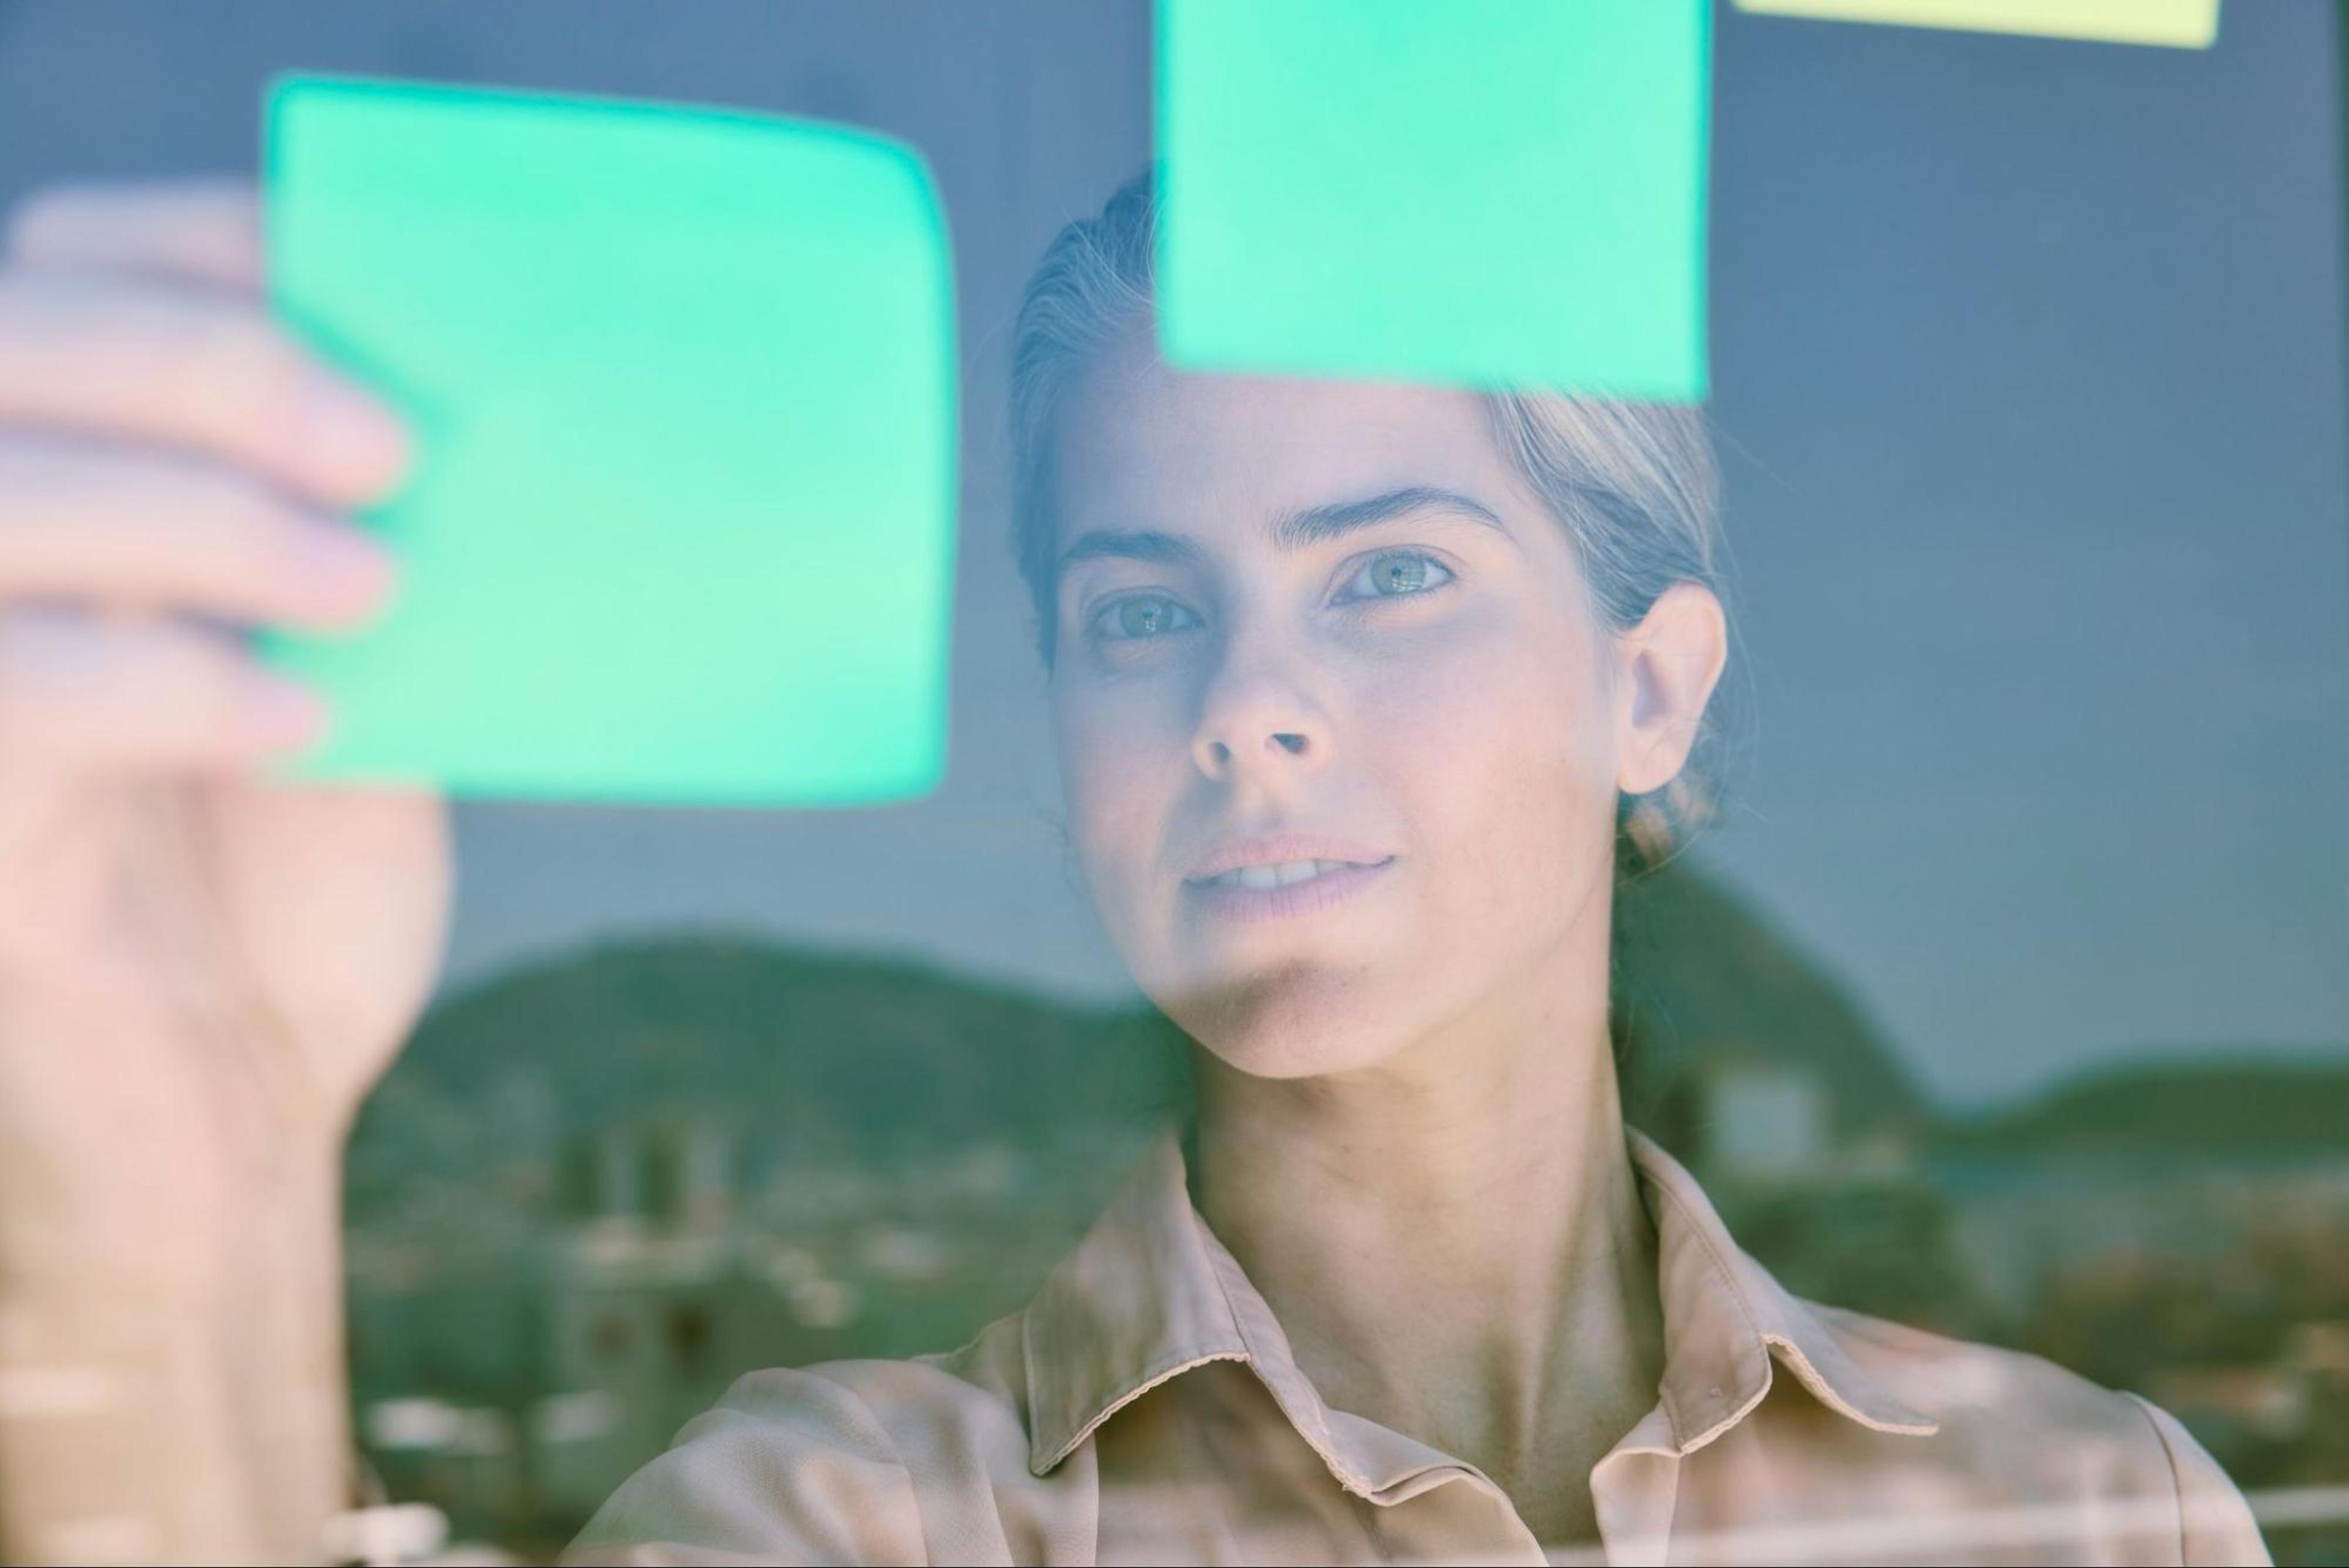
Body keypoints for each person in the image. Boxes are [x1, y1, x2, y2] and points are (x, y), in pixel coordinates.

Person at [0, 171, 2266, 1567]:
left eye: (1383, 575)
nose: (1244, 699)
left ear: (1650, 692)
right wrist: (159, 1177)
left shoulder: (2091, 1513)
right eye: (1142, 604)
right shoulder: (847, 1524)